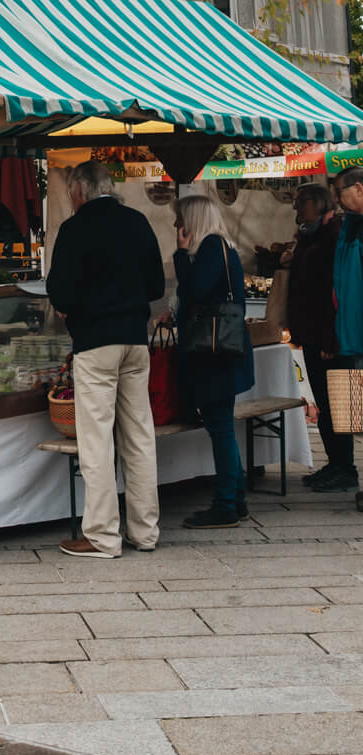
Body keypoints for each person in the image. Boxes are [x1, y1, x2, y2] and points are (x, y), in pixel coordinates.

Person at [46, 160, 164, 558]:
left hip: (96, 342)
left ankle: (101, 536)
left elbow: (59, 290)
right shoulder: (138, 222)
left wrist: (74, 307)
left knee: (97, 442)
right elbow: (155, 285)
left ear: (79, 191)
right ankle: (145, 532)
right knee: (139, 437)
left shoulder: (75, 229)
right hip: (135, 339)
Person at [174, 192, 254, 529]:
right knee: (222, 427)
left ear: (193, 222)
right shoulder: (225, 249)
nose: (177, 226)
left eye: (181, 221)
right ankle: (235, 499)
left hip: (214, 355)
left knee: (220, 428)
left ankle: (225, 504)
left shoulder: (209, 249)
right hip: (224, 353)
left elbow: (194, 291)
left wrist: (180, 254)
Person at [285, 184, 354, 492]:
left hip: (332, 338)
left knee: (339, 403)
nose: (296, 209)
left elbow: (337, 291)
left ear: (317, 203)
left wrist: (331, 337)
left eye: (301, 203)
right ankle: (336, 463)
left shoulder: (335, 234)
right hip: (313, 334)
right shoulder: (311, 235)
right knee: (325, 405)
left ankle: (346, 467)